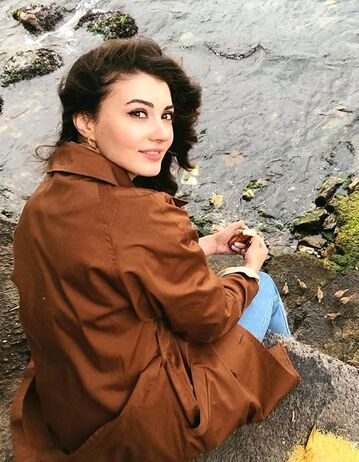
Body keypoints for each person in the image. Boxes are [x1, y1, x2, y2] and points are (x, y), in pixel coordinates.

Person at [9, 37, 301, 462]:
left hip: (74, 406)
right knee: (265, 288)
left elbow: (112, 260)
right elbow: (209, 318)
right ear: (86, 121)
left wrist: (202, 246)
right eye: (137, 113)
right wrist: (248, 270)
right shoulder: (143, 213)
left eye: (165, 115)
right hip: (141, 420)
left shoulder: (44, 200)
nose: (162, 132)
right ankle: (284, 366)